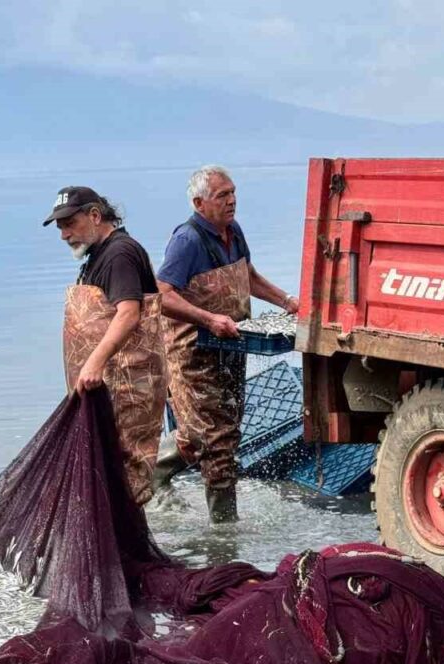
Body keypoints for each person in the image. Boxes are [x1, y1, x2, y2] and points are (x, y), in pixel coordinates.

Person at [153, 165, 300, 522]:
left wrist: (287, 301)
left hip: (232, 347)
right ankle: (224, 531)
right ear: (199, 203)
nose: (232, 200)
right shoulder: (187, 240)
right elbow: (162, 295)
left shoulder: (233, 231)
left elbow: (248, 276)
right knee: (212, 441)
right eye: (222, 195)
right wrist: (208, 319)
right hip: (192, 353)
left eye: (233, 193)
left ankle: (153, 474)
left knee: (226, 432)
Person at [45, 186, 167, 507]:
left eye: (69, 224)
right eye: (60, 228)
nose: (64, 235)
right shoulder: (97, 255)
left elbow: (128, 313)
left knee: (124, 475)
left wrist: (94, 362)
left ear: (95, 216)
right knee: (107, 475)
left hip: (129, 388)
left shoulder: (119, 254)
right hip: (108, 388)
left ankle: (127, 537)